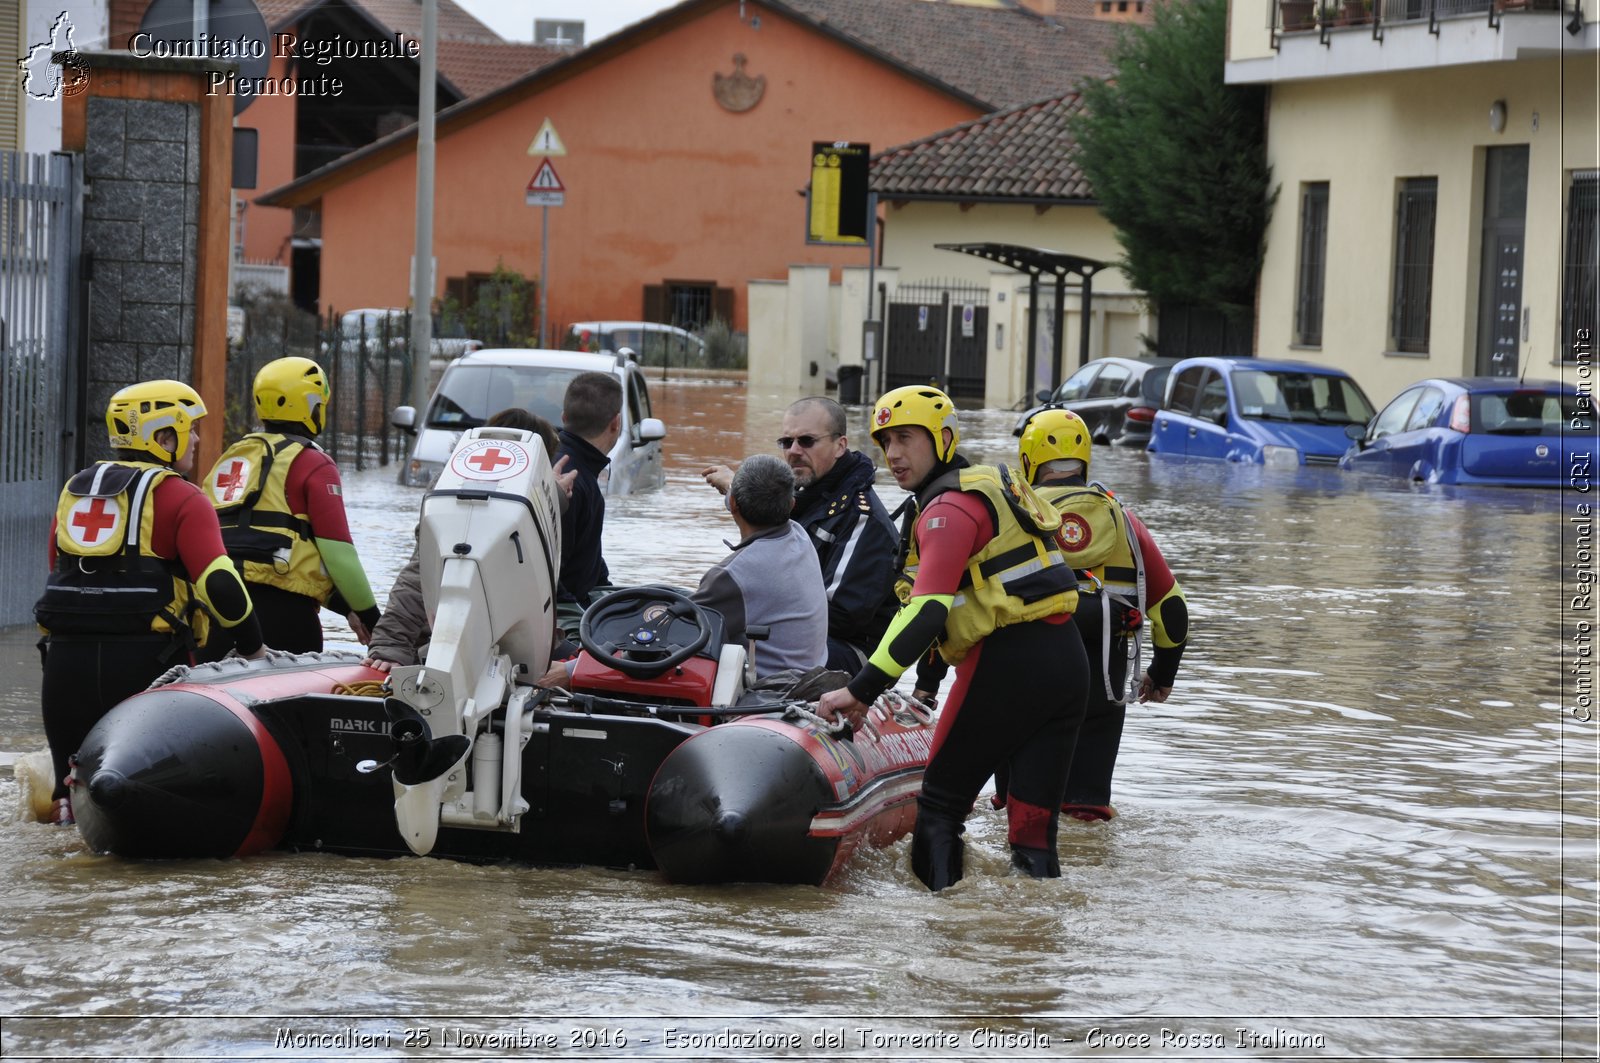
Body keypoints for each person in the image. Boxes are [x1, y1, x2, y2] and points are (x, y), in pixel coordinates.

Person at [817, 386, 1089, 890]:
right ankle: (1029, 950)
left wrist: (860, 690)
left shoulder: (947, 508)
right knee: (1032, 835)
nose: (893, 454)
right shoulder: (988, 487)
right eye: (884, 442)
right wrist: (928, 686)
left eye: (904, 438)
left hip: (1009, 666)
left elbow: (928, 611)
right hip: (1067, 663)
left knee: (939, 809)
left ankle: (943, 947)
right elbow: (968, 602)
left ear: (942, 439)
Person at [34, 380, 267, 825]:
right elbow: (220, 584)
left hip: (65, 671)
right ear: (163, 436)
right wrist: (255, 649)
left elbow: (57, 569)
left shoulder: (75, 490)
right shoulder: (183, 496)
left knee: (68, 806)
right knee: (147, 803)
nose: (197, 440)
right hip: (146, 665)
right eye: (190, 429)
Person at [1016, 407, 1188, 817]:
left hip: (1025, 682)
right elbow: (1174, 610)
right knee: (1086, 818)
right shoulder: (1125, 521)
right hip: (1104, 685)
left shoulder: (1013, 517)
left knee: (1021, 817)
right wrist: (1162, 675)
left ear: (1027, 459)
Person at [364, 408, 576, 672]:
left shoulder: (451, 483)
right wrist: (390, 645)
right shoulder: (464, 498)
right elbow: (424, 572)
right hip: (445, 640)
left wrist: (554, 495)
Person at [701, 397, 898, 673]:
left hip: (851, 653)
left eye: (806, 441)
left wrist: (756, 609)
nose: (794, 451)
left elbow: (840, 616)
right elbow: (765, 518)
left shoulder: (863, 519)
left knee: (731, 639)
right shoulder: (806, 496)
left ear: (840, 445)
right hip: (801, 636)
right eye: (786, 442)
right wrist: (737, 488)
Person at [203, 356, 381, 655]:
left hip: (219, 611)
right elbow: (339, 555)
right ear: (312, 407)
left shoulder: (233, 456)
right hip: (285, 618)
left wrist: (342, 606)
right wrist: (371, 617)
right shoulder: (314, 463)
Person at [690, 454, 828, 678]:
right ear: (791, 505)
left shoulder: (731, 576)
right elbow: (742, 503)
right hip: (811, 680)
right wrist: (730, 486)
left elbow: (680, 629)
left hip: (769, 694)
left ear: (734, 503)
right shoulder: (800, 535)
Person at [555, 371, 621, 607]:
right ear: (616, 422)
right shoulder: (570, 482)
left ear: (564, 417)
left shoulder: (561, 465)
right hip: (563, 621)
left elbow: (587, 559)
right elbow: (553, 577)